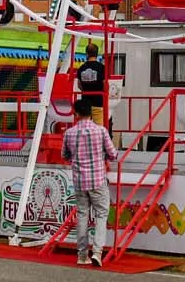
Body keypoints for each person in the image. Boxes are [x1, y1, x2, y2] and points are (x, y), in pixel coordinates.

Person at [61, 97, 118, 267]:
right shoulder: (101, 131)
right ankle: (98, 252)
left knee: (82, 216)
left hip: (79, 182)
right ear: (91, 113)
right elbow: (113, 154)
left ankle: (82, 255)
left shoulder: (69, 133)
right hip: (98, 180)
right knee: (101, 214)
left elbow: (64, 155)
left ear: (76, 114)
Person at [74, 43, 108, 127]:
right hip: (98, 101)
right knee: (99, 126)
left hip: (85, 102)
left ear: (86, 54)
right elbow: (105, 84)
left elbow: (79, 85)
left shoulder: (81, 68)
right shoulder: (101, 67)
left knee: (84, 126)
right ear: (97, 54)